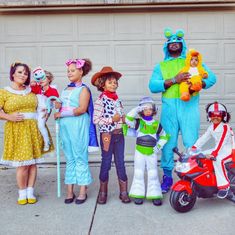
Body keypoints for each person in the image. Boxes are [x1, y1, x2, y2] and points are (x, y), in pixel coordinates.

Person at [149, 28, 216, 193]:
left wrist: (198, 85)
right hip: (169, 109)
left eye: (176, 42)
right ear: (166, 46)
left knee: (191, 142)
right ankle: (167, 177)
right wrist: (173, 80)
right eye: (170, 43)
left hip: (189, 107)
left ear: (182, 44)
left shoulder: (192, 60)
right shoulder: (161, 66)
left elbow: (212, 78)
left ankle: (191, 176)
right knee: (167, 143)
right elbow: (152, 86)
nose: (173, 45)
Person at [0, 62, 53, 205]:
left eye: (25, 73)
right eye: (20, 72)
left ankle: (30, 191)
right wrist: (9, 117)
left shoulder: (32, 90)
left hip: (33, 129)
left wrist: (45, 114)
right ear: (12, 74)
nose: (23, 75)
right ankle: (22, 192)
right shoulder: (4, 92)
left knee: (33, 163)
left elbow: (45, 102)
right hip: (17, 130)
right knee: (22, 165)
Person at [54, 58, 98, 205]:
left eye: (72, 70)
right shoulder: (65, 89)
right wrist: (55, 103)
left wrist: (62, 113)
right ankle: (69, 191)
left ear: (81, 71)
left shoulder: (83, 89)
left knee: (80, 156)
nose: (69, 73)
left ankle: (82, 191)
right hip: (65, 126)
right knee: (70, 158)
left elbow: (81, 109)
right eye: (68, 71)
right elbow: (60, 106)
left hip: (78, 125)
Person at [92, 66, 131, 204]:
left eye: (115, 82)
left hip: (119, 135)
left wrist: (124, 119)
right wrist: (111, 120)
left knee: (120, 162)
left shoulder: (117, 100)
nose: (113, 84)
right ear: (102, 85)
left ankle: (123, 191)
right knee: (106, 162)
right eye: (110, 82)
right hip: (107, 136)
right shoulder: (100, 101)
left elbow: (119, 116)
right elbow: (96, 119)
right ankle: (103, 192)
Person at [125, 97, 169, 206]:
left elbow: (164, 136)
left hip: (152, 151)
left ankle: (155, 194)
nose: (148, 111)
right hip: (139, 151)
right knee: (138, 172)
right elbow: (127, 119)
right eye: (145, 109)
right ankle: (137, 194)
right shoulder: (138, 123)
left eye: (150, 108)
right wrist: (136, 109)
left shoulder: (156, 124)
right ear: (141, 110)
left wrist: (158, 146)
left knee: (153, 172)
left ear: (154, 110)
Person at [191, 101, 234, 199]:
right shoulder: (211, 127)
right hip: (219, 149)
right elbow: (204, 138)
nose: (215, 117)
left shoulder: (225, 127)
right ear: (209, 116)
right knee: (201, 154)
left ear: (223, 116)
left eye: (218, 115)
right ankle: (209, 180)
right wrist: (195, 147)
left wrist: (214, 153)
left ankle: (225, 186)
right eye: (212, 115)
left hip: (228, 149)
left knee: (218, 160)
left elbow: (222, 142)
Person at [31, 67, 59, 151]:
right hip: (36, 110)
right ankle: (37, 144)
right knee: (33, 126)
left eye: (43, 78)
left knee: (40, 125)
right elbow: (30, 90)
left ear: (49, 79)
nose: (41, 80)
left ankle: (47, 142)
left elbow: (55, 101)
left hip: (44, 110)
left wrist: (49, 110)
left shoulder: (52, 89)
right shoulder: (38, 88)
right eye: (39, 79)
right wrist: (32, 84)